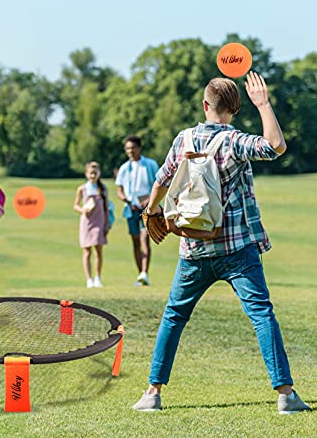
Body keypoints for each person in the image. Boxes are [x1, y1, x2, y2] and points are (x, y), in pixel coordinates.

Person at [133, 72, 310, 414]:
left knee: (173, 316)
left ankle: (152, 394)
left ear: (205, 105)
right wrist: (264, 104)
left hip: (194, 250)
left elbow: (161, 180)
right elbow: (276, 146)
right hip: (238, 250)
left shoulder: (183, 139)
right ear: (236, 108)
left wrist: (151, 212)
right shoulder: (234, 141)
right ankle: (286, 395)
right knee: (261, 315)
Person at [115, 135, 159, 286]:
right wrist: (126, 200)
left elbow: (158, 185)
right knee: (135, 241)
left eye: (132, 148)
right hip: (131, 209)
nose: (130, 151)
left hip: (147, 209)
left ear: (139, 148)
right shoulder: (124, 168)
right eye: (127, 148)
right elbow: (119, 190)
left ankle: (145, 273)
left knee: (144, 238)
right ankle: (140, 275)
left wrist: (148, 201)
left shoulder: (150, 164)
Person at [73, 162, 110, 288]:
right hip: (87, 222)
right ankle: (89, 279)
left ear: (99, 173)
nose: (93, 175)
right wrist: (82, 210)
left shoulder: (103, 189)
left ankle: (98, 278)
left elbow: (106, 208)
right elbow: (76, 205)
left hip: (99, 222)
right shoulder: (82, 189)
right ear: (86, 174)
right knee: (87, 251)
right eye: (91, 173)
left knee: (99, 251)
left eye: (95, 173)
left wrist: (107, 224)